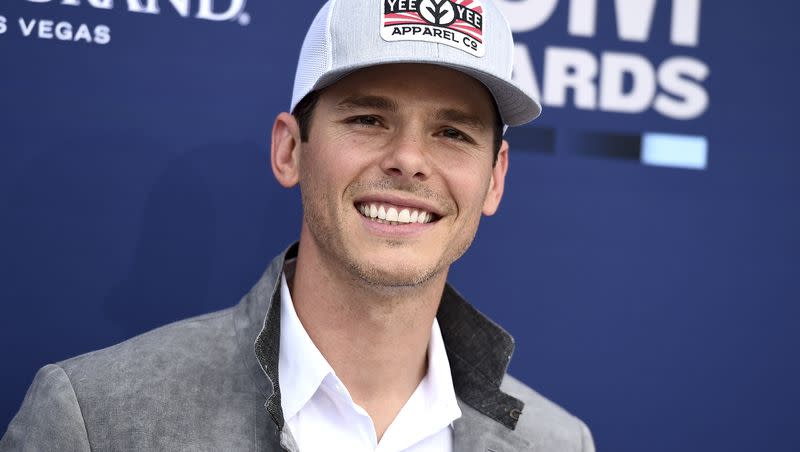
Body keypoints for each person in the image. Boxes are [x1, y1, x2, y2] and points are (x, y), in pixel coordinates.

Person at [1, 0, 594, 450]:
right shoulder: (95, 418)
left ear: (494, 179)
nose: (410, 159)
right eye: (368, 118)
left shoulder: (558, 442)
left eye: (453, 133)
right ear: (290, 151)